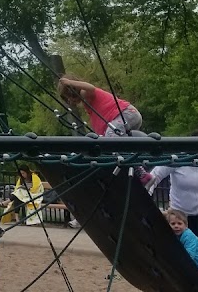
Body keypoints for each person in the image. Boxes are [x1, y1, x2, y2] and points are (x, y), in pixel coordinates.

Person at [58, 73, 151, 227]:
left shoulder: (86, 93)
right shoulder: (89, 105)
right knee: (108, 150)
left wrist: (69, 82)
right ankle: (133, 177)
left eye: (69, 97)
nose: (70, 101)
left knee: (110, 137)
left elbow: (90, 87)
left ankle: (141, 172)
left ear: (74, 90)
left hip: (128, 114)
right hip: (122, 119)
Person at [148, 130, 198, 252]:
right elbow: (155, 175)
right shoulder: (178, 159)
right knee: (183, 244)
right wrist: (147, 193)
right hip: (180, 208)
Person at [166, 208, 198, 281]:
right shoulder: (176, 236)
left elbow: (189, 255)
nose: (176, 226)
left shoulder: (188, 236)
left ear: (186, 225)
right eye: (173, 224)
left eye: (179, 223)